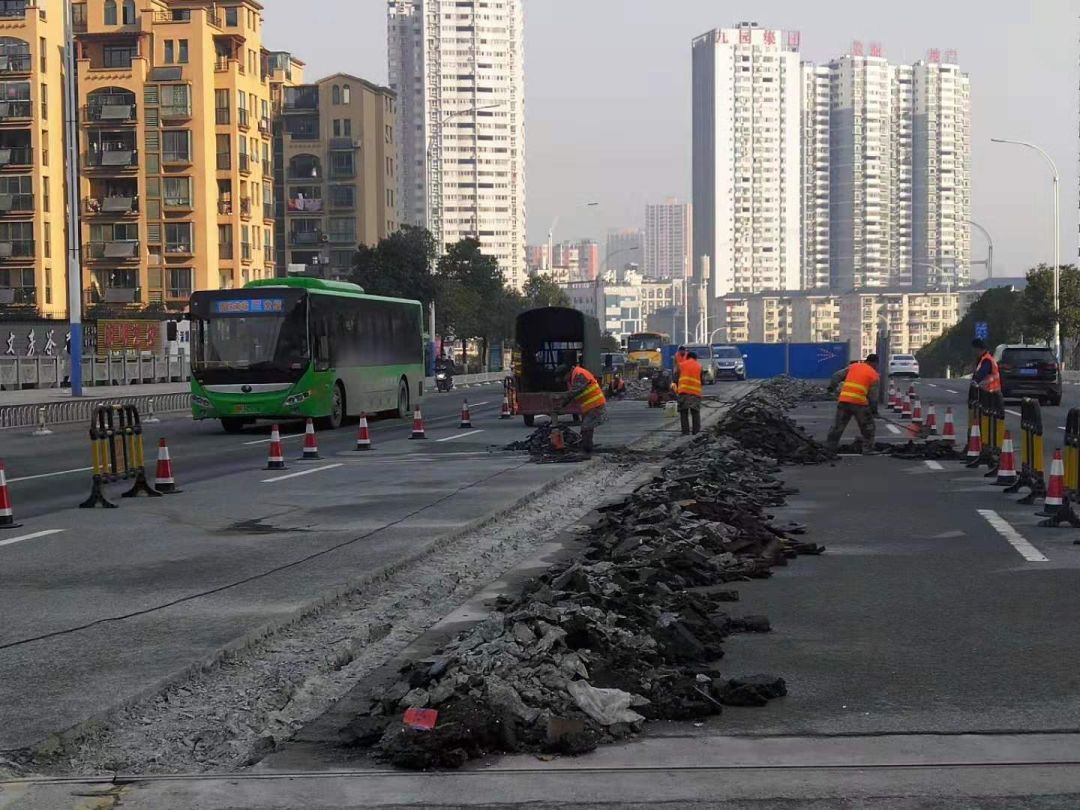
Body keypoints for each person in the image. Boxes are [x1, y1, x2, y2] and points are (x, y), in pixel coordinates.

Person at [825, 353, 881, 454]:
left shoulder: (854, 366)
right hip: (859, 403)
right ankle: (867, 449)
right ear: (875, 363)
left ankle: (830, 448)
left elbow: (836, 376)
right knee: (868, 426)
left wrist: (831, 388)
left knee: (838, 426)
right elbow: (873, 396)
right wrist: (874, 411)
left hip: (844, 401)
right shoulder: (874, 375)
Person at [561, 353, 607, 453]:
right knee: (586, 427)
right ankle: (586, 447)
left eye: (563, 377)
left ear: (567, 373)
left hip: (595, 404)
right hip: (590, 406)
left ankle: (586, 450)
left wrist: (562, 404)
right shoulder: (574, 375)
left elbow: (574, 391)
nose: (563, 380)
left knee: (586, 427)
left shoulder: (579, 374)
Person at [675, 350, 704, 435]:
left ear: (687, 358)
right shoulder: (699, 366)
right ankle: (696, 432)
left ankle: (685, 432)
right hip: (695, 393)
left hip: (683, 392)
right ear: (695, 358)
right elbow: (702, 381)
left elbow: (676, 379)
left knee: (684, 413)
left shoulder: (681, 365)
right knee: (695, 413)